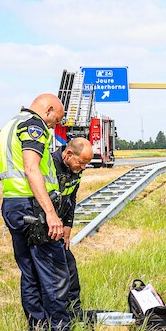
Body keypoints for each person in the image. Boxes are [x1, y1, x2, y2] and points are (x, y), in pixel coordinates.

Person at [0, 93, 70, 331]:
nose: (53, 126)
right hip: (33, 209)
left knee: (29, 273)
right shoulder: (33, 125)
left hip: (13, 205)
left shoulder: (9, 125)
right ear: (48, 109)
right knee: (53, 273)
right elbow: (31, 168)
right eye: (55, 120)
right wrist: (51, 213)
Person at [51, 137, 95, 320]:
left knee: (70, 267)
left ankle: (74, 311)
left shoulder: (75, 169)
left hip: (60, 226)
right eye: (81, 162)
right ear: (68, 154)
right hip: (47, 225)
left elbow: (72, 198)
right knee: (58, 271)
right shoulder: (50, 165)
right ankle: (59, 315)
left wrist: (68, 226)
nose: (83, 168)